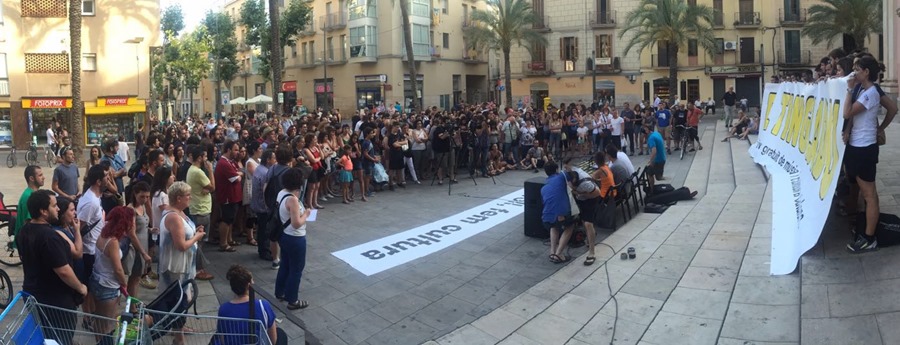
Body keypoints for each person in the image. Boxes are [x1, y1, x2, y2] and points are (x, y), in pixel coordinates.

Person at [18, 190, 87, 345]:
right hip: (54, 300)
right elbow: (63, 271)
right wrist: (80, 287)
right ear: (43, 211)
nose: (58, 209)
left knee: (48, 337)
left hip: (33, 294)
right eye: (54, 206)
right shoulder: (50, 237)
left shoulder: (24, 230)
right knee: (60, 337)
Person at [844, 56, 896, 252]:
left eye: (858, 69)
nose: (855, 72)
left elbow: (847, 113)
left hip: (864, 148)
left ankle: (869, 238)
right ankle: (866, 229)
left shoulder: (870, 93)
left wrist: (880, 128)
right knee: (865, 192)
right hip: (859, 146)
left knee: (870, 194)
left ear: (866, 72)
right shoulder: (867, 91)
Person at [213, 265, 287, 345]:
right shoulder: (263, 305)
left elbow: (223, 338)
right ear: (248, 286)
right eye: (252, 281)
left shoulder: (223, 309)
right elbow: (273, 340)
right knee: (281, 334)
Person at [90, 206, 133, 344]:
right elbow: (118, 269)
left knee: (99, 320)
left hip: (97, 280)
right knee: (108, 324)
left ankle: (99, 342)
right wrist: (124, 283)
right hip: (108, 285)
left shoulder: (103, 234)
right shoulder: (113, 242)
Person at [273, 168, 312, 310]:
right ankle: (293, 299)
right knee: (296, 269)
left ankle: (280, 291)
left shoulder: (281, 193)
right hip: (296, 238)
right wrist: (306, 214)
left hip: (284, 235)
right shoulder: (293, 200)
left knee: (285, 264)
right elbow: (296, 223)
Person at [159, 181, 206, 288]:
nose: (191, 198)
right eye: (188, 195)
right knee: (179, 297)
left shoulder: (179, 211)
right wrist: (196, 237)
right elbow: (181, 246)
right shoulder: (174, 217)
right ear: (179, 198)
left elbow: (182, 232)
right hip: (177, 267)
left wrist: (194, 232)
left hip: (184, 265)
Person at [563, 161, 601, 266]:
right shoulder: (569, 173)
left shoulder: (585, 184)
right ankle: (590, 237)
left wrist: (580, 193)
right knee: (584, 221)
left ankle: (592, 252)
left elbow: (598, 193)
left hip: (591, 198)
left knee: (588, 223)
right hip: (581, 197)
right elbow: (567, 166)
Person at [185, 145, 215, 280]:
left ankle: (197, 268)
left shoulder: (193, 170)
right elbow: (213, 186)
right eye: (205, 157)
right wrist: (210, 170)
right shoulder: (198, 172)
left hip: (197, 208)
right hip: (201, 210)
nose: (206, 159)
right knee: (200, 242)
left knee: (199, 241)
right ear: (199, 158)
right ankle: (198, 269)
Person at [541, 161, 575, 264]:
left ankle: (552, 252)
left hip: (546, 216)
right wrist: (568, 168)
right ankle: (559, 254)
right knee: (570, 226)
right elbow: (572, 177)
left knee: (554, 226)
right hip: (561, 213)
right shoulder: (561, 176)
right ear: (556, 170)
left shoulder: (543, 187)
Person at [124, 182, 153, 297]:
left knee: (137, 277)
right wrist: (143, 253)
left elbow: (142, 226)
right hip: (136, 247)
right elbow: (131, 233)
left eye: (147, 197)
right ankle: (132, 307)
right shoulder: (131, 210)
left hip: (143, 242)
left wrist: (150, 229)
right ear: (135, 194)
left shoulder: (142, 206)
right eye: (142, 196)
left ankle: (133, 304)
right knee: (134, 278)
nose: (145, 199)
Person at [214, 140, 244, 252]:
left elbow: (239, 172)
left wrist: (239, 173)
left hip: (233, 197)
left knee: (230, 219)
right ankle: (223, 243)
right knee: (226, 219)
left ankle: (229, 239)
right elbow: (236, 179)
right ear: (228, 150)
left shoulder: (230, 162)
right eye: (235, 150)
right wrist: (239, 174)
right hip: (227, 197)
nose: (238, 152)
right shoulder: (224, 163)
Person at [15, 165, 44, 238]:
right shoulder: (29, 196)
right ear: (31, 178)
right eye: (40, 175)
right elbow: (28, 222)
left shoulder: (32, 193)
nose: (43, 177)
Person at [645, 123, 667, 189]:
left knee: (649, 173)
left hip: (657, 160)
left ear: (648, 130)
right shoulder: (657, 133)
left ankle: (651, 189)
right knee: (658, 177)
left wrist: (651, 162)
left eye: (645, 130)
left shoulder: (651, 138)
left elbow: (654, 151)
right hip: (662, 158)